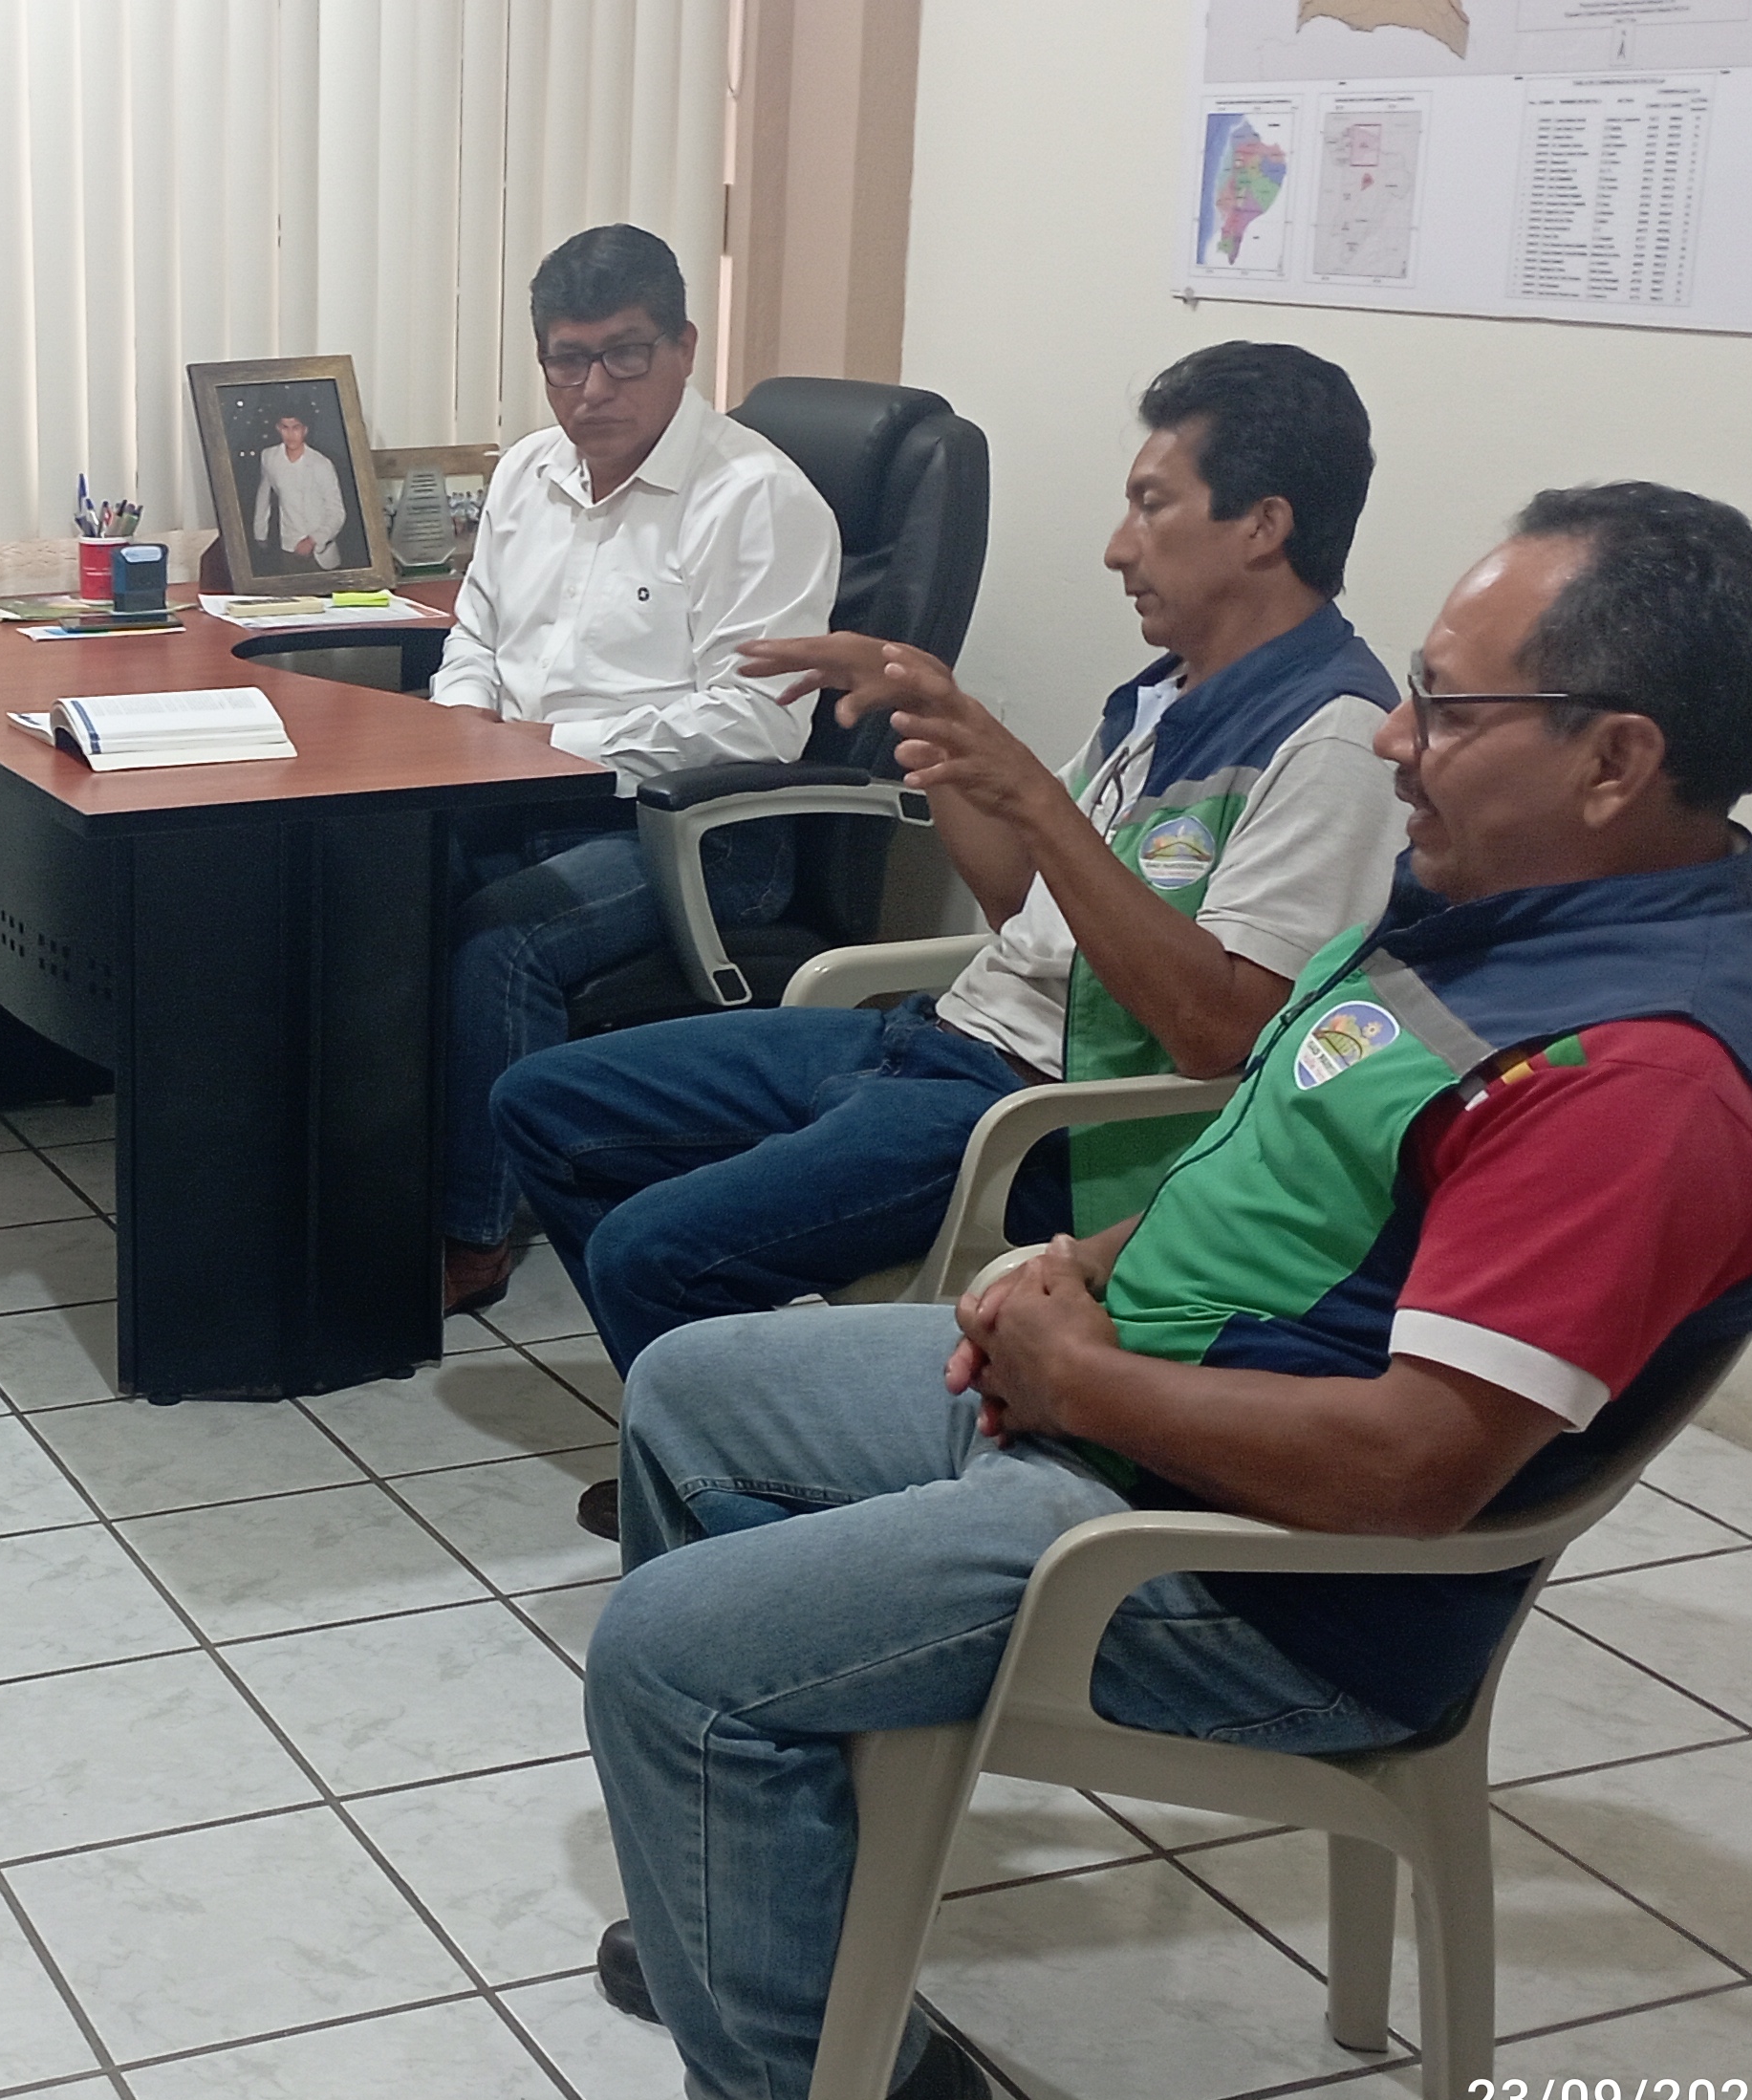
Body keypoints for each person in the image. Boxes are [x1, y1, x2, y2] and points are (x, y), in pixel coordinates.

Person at [578, 485, 1752, 2100]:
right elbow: (1283, 1156)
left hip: (1259, 1577)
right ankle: (761, 1923)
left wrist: (1086, 1378)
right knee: (689, 1390)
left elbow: (1414, 1472)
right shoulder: (1501, 909)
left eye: (1447, 707)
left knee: (673, 1653)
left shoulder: (1638, 1080)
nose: (1394, 736)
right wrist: (1082, 1266)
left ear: (1616, 760)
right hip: (1153, 1409)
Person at [494, 342, 1406, 1396]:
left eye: (1152, 506)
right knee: (542, 1104)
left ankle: (755, 1450)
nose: (1119, 549)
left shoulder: (1333, 736)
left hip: (1035, 1114)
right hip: (933, 1038)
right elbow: (1026, 906)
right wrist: (941, 719)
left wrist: (1035, 797)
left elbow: (1222, 1033)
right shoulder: (1169, 693)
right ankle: (737, 1419)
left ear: (1263, 525)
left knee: (647, 1254)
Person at [428, 224, 842, 1312]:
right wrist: (464, 726)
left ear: (684, 348)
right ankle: (364, 1182)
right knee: (363, 878)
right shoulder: (528, 472)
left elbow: (757, 721)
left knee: (500, 935)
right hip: (516, 789)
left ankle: (473, 1231)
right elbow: (475, 634)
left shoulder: (756, 498)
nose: (593, 388)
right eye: (568, 360)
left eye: (625, 354)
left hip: (693, 834)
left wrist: (549, 753)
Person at [250, 410, 354, 569]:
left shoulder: (321, 464)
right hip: (288, 547)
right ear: (278, 428)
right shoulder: (270, 457)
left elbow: (337, 512)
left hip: (320, 552)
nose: (290, 434)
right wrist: (260, 532)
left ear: (305, 429)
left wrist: (313, 540)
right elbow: (263, 495)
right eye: (285, 428)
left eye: (296, 428)